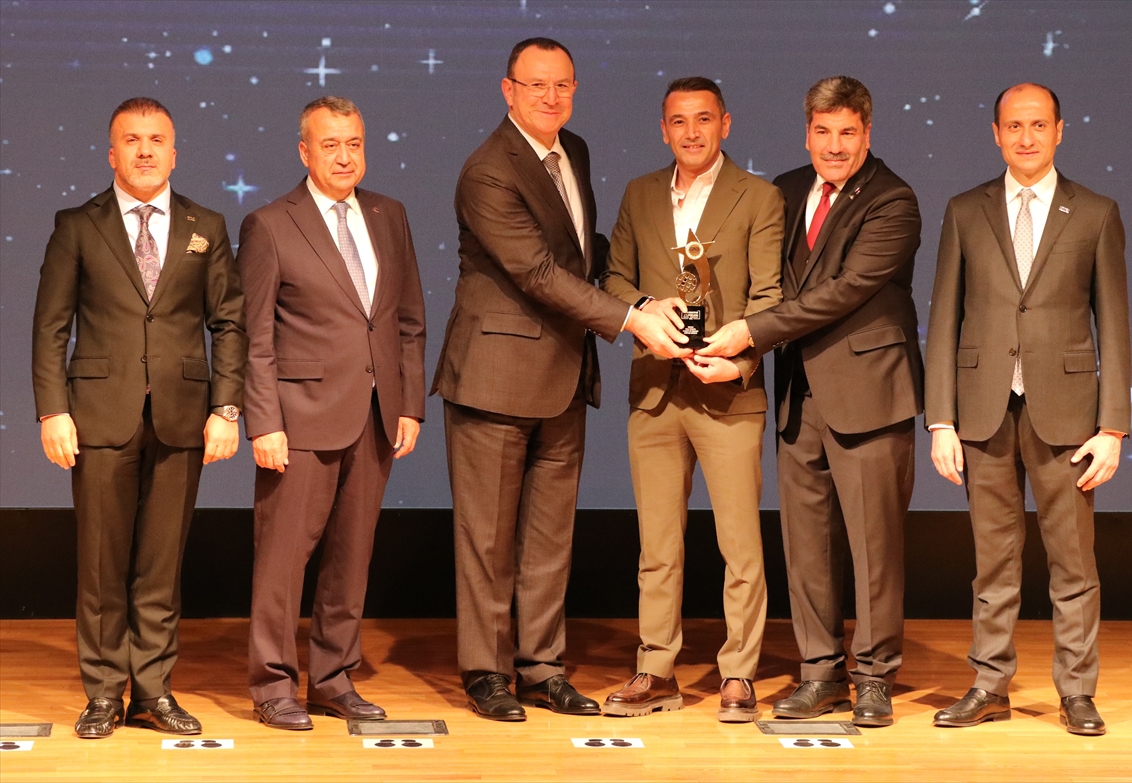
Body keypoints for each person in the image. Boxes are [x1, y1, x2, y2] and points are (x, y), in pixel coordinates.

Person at [431, 37, 688, 722]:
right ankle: (487, 673)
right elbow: (538, 272)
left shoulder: (573, 149)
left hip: (564, 374)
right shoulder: (488, 170)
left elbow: (582, 254)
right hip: (494, 377)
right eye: (536, 85)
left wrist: (643, 295)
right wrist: (632, 319)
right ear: (508, 90)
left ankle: (542, 668)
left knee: (549, 539)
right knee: (488, 541)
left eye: (562, 85)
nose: (551, 97)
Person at [700, 75, 923, 728]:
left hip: (869, 395)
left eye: (847, 132)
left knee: (874, 548)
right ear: (807, 133)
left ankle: (874, 676)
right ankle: (820, 672)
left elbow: (843, 290)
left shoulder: (893, 200)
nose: (834, 145)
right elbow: (766, 283)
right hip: (800, 396)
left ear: (867, 133)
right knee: (807, 547)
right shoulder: (788, 189)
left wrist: (749, 332)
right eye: (823, 131)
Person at [32, 97, 246, 738]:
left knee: (160, 564)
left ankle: (153, 691)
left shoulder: (207, 224)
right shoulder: (78, 225)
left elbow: (228, 323)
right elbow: (50, 328)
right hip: (99, 416)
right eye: (132, 139)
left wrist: (226, 408)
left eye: (156, 140)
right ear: (112, 153)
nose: (145, 150)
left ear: (174, 153)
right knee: (101, 564)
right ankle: (103, 694)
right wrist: (52, 410)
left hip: (183, 416)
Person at [924, 83, 1130, 737]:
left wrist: (1113, 426)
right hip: (983, 411)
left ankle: (1077, 691)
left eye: (1038, 124)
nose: (1026, 137)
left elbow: (1114, 324)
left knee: (1073, 562)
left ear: (1060, 130)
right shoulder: (966, 210)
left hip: (1068, 416)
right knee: (993, 559)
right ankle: (989, 682)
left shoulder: (1095, 212)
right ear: (996, 133)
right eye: (1013, 125)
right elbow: (944, 317)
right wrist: (940, 419)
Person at [598, 77, 783, 722]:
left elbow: (770, 299)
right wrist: (648, 306)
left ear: (725, 124)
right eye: (679, 121)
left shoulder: (759, 196)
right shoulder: (639, 193)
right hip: (655, 390)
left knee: (740, 545)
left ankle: (738, 674)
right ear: (663, 129)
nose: (692, 132)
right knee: (657, 546)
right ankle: (656, 671)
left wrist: (740, 360)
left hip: (728, 392)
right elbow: (614, 279)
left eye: (704, 119)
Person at [239, 96, 426, 730]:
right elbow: (254, 336)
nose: (345, 157)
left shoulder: (388, 214)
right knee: (282, 562)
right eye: (330, 145)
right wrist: (264, 421)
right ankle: (273, 686)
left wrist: (408, 403)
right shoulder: (270, 224)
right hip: (298, 420)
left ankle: (333, 678)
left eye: (354, 144)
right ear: (304, 151)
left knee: (351, 557)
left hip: (375, 416)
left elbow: (408, 321)